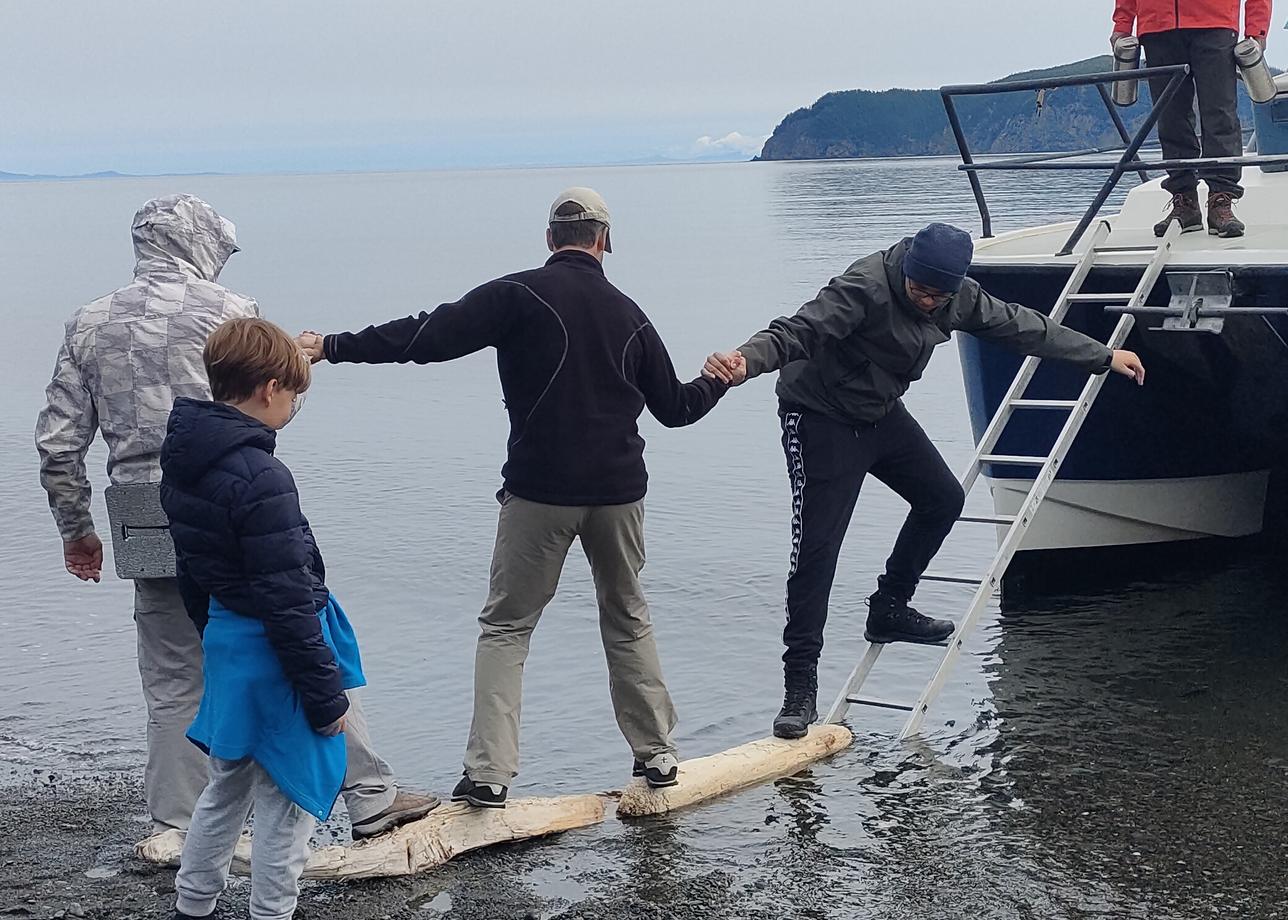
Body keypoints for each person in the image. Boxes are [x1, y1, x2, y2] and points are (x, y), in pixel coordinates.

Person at [298, 187, 728, 807]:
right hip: (617, 496)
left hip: (538, 494)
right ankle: (657, 756)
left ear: (550, 239)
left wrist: (332, 345)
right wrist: (716, 379)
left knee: (506, 627)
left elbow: (426, 337)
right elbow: (677, 409)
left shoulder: (517, 295)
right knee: (628, 618)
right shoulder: (631, 315)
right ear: (605, 242)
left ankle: (490, 774)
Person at [33, 195, 436, 839]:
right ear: (200, 243)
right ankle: (368, 794)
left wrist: (75, 528)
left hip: (139, 506)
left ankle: (179, 826)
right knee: (303, 630)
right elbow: (270, 400)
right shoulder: (230, 311)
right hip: (231, 499)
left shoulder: (89, 321)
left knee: (172, 672)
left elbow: (58, 441)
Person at [703, 223, 1147, 740]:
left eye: (939, 295)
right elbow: (797, 331)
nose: (929, 301)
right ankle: (799, 692)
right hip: (819, 418)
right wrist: (744, 361)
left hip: (879, 413)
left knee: (942, 499)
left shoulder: (958, 296)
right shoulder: (865, 286)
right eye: (920, 291)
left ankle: (889, 607)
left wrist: (1103, 355)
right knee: (817, 553)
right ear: (907, 270)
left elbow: (1023, 326)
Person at [160, 318, 367, 920]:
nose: (293, 407)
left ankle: (192, 906)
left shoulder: (184, 462)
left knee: (225, 787)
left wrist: (212, 637)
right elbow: (287, 599)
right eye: (295, 395)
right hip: (277, 654)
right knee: (287, 799)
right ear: (269, 389)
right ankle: (272, 912)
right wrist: (326, 698)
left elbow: (190, 571)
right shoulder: (262, 475)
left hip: (228, 641)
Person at [1112, 0, 1273, 238]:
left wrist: (1256, 29)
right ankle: (1184, 201)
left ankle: (1221, 199)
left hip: (1215, 22)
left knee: (1220, 114)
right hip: (1158, 26)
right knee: (1169, 117)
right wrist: (1122, 24)